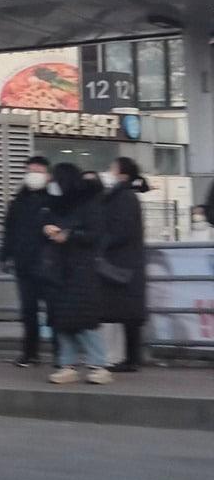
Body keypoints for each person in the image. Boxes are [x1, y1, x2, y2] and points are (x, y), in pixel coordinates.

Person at [43, 163, 110, 384]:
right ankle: (68, 364)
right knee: (63, 320)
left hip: (81, 269)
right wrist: (49, 229)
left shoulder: (89, 204)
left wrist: (68, 235)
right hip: (61, 269)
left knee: (83, 321)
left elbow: (94, 234)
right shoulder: (60, 205)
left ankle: (98, 365)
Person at [3, 156, 56, 367]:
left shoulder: (54, 200)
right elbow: (9, 230)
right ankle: (30, 352)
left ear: (47, 175)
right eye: (30, 170)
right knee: (28, 310)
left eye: (38, 171)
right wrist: (6, 255)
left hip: (48, 263)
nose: (33, 175)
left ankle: (61, 352)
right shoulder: (17, 202)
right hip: (24, 263)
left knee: (54, 309)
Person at [101, 157, 149, 373]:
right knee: (126, 312)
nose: (109, 171)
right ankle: (130, 358)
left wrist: (101, 242)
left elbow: (121, 230)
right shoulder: (123, 196)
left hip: (123, 264)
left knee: (127, 313)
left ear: (122, 174)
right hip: (125, 262)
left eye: (112, 167)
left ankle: (131, 359)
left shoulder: (124, 197)